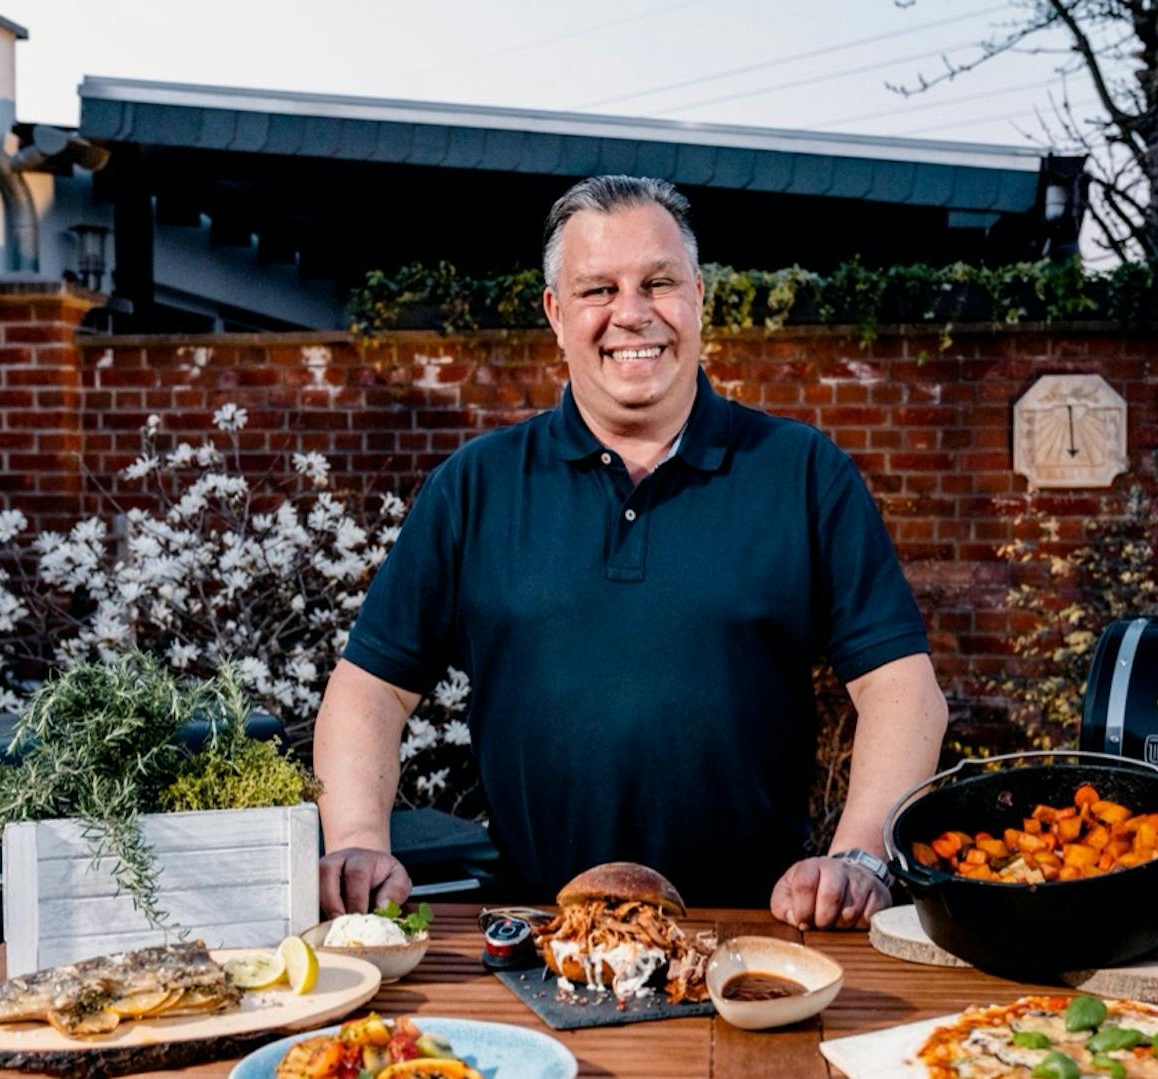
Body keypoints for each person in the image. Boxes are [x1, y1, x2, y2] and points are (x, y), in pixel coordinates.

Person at [315, 175, 948, 930]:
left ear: (698, 297)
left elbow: (903, 688)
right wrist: (357, 840)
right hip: (535, 932)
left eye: (658, 282)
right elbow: (370, 690)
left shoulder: (802, 473)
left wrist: (858, 856)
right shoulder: (476, 487)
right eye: (598, 290)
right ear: (556, 313)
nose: (632, 313)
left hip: (756, 932)